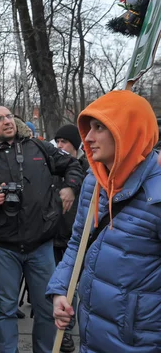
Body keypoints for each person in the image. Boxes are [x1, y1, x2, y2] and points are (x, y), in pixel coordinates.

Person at [48, 91, 161, 353]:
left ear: (127, 131)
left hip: (140, 342)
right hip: (91, 334)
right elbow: (78, 243)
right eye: (89, 128)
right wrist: (60, 290)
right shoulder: (93, 182)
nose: (88, 137)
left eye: (100, 128)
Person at [0, 106, 83, 353]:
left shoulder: (39, 148)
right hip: (4, 247)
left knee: (45, 308)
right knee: (5, 310)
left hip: (41, 245)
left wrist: (71, 187)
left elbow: (73, 164)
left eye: (9, 116)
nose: (7, 121)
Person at [51, 123, 90, 352]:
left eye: (64, 142)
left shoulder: (87, 172)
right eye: (57, 142)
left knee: (72, 289)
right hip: (52, 237)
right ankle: (56, 329)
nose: (60, 146)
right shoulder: (54, 169)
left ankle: (66, 332)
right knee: (58, 288)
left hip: (75, 239)